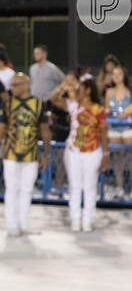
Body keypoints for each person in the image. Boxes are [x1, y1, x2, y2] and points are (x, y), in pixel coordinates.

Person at [0, 73, 51, 237]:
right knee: (11, 189)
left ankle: (23, 223)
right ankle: (12, 225)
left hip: (31, 156)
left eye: (16, 85)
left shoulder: (39, 104)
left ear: (26, 84)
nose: (12, 88)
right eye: (11, 85)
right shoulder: (8, 104)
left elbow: (45, 132)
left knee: (26, 190)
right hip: (10, 155)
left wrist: (46, 154)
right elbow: (0, 129)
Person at [50, 79, 109, 232]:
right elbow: (53, 100)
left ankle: (87, 219)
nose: (77, 90)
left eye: (80, 88)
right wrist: (61, 87)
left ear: (88, 90)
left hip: (92, 152)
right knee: (74, 186)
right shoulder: (74, 105)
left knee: (90, 186)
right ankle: (75, 218)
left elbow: (103, 132)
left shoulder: (98, 109)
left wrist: (106, 154)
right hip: (73, 152)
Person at [104, 65, 132, 200]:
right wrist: (107, 111)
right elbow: (107, 108)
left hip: (128, 127)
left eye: (119, 73)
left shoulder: (129, 90)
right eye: (114, 74)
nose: (116, 76)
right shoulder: (110, 92)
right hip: (114, 127)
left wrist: (126, 113)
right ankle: (120, 187)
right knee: (117, 158)